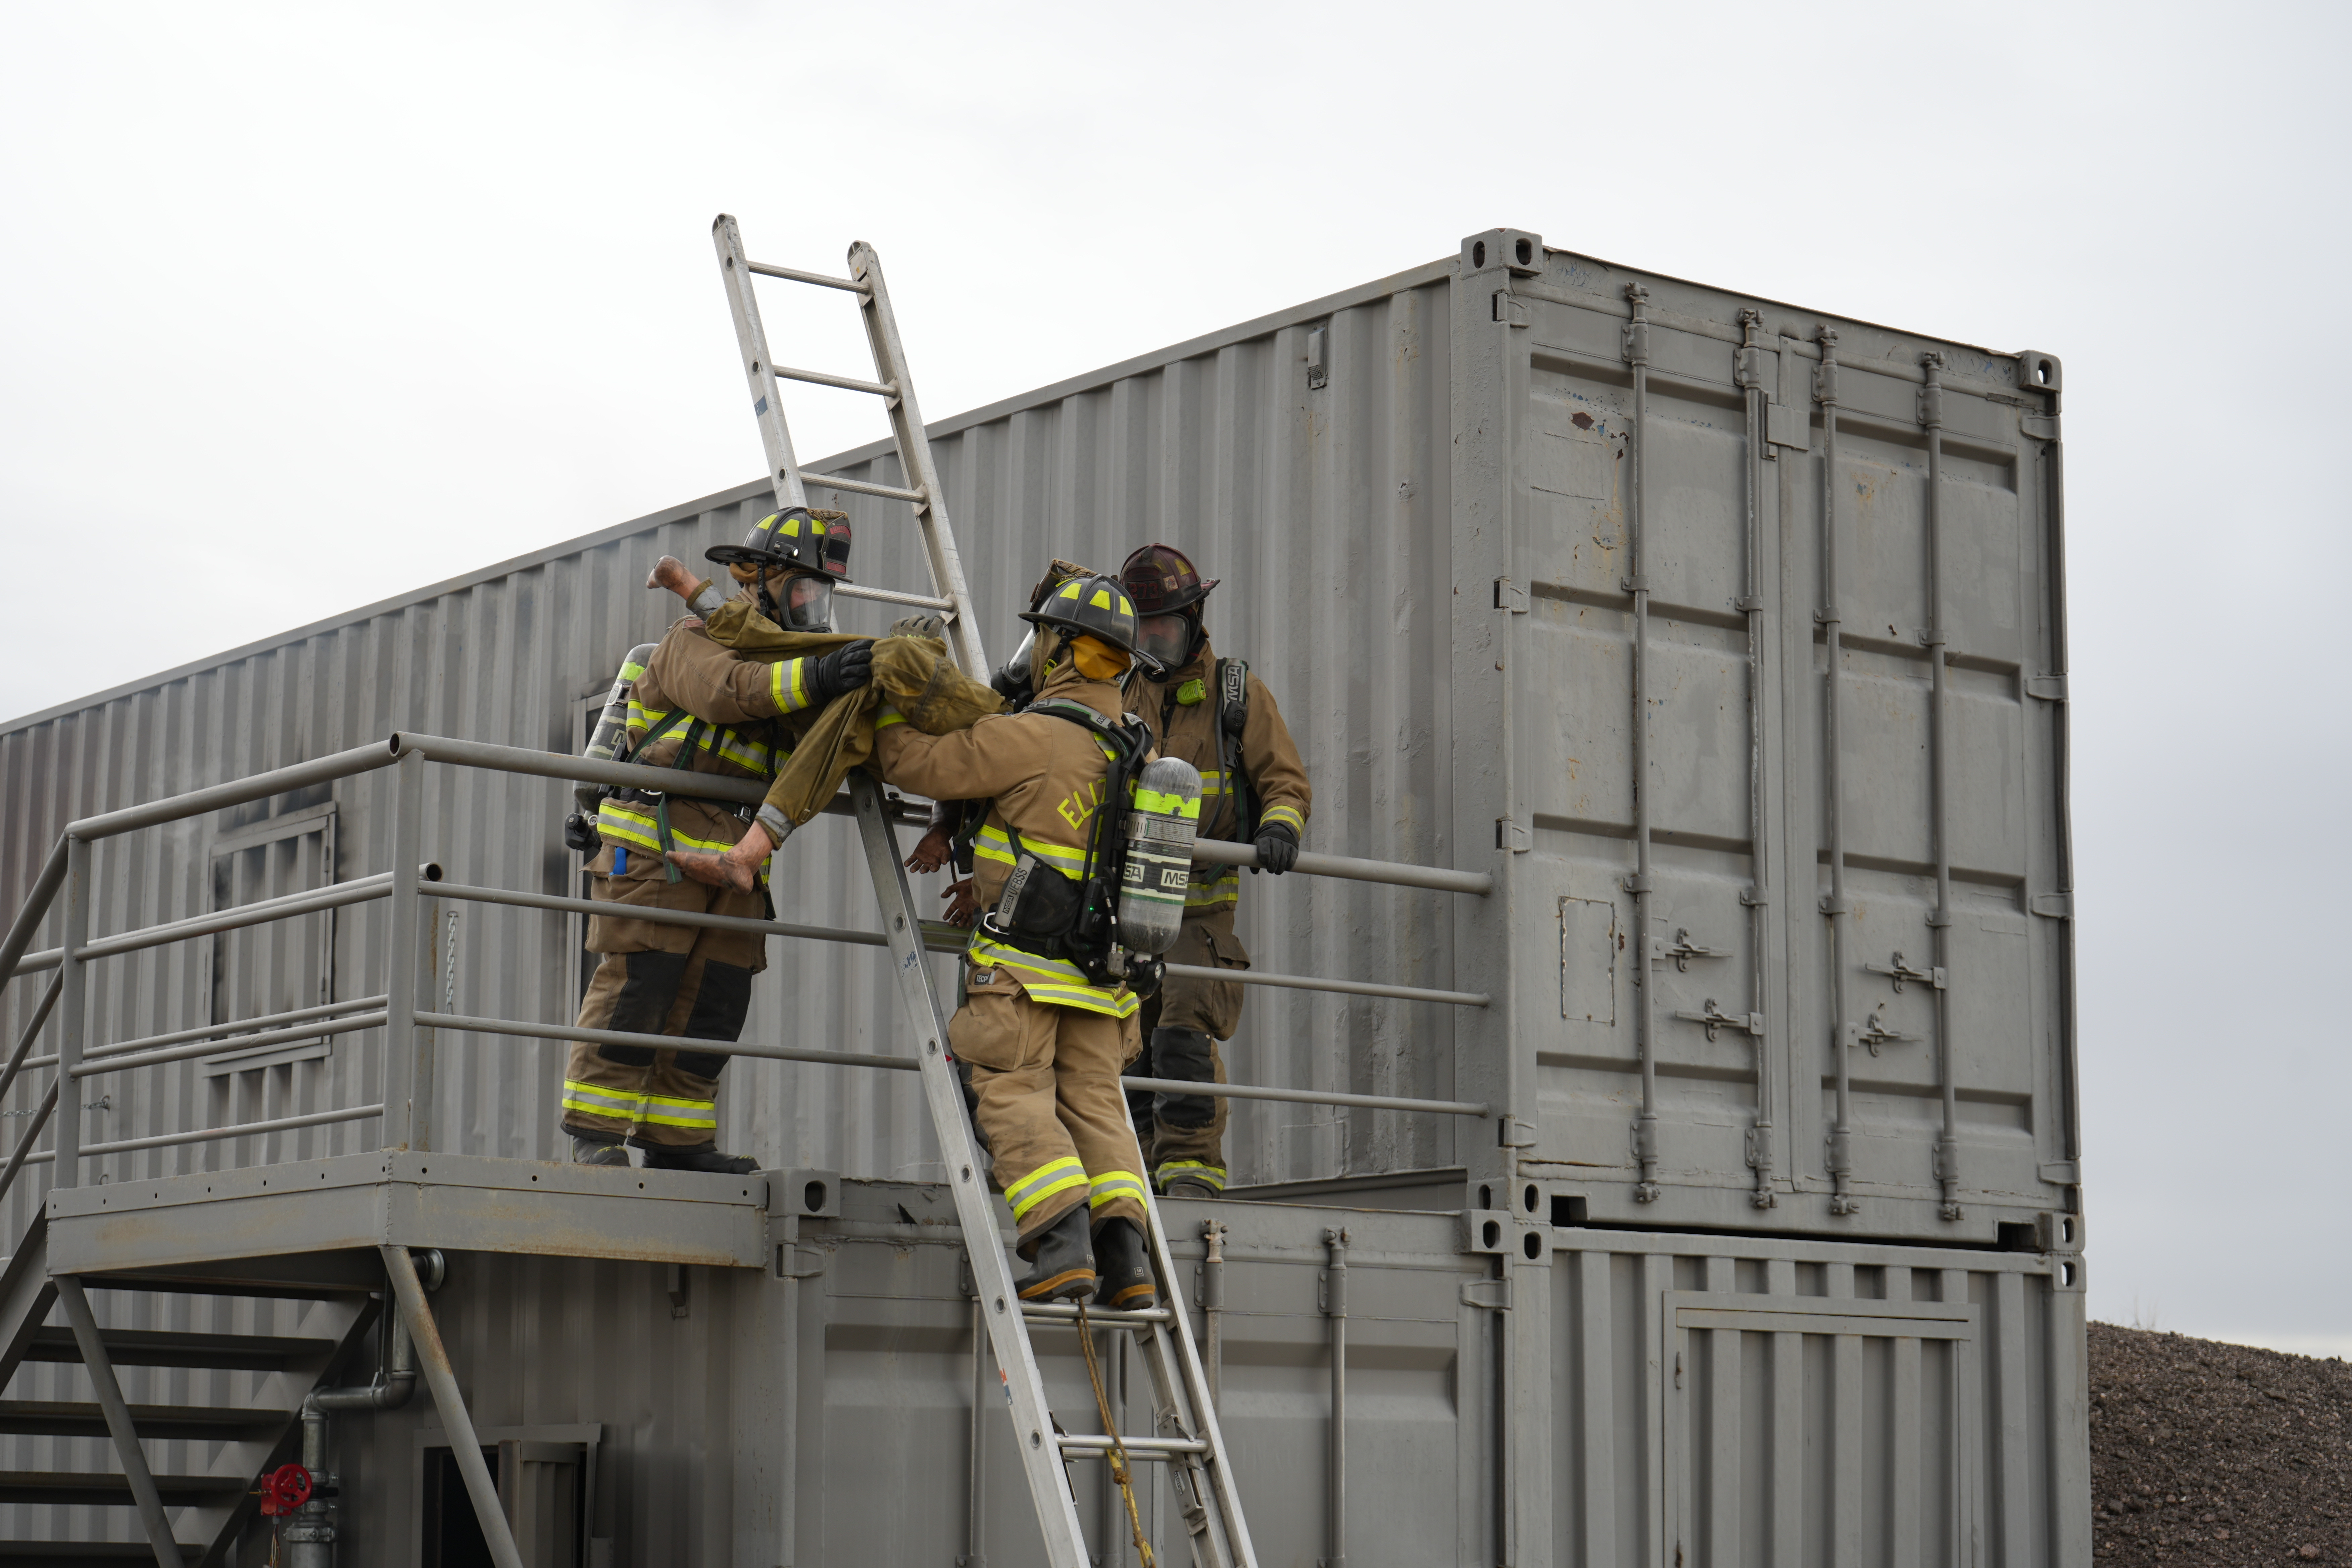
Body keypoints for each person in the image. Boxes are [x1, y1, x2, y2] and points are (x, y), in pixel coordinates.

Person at [873, 573, 1163, 1308]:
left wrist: (879, 702)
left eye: (1043, 639)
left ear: (1061, 650)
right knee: (1097, 1107)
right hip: (1105, 981)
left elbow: (916, 764)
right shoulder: (1141, 753)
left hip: (1023, 973)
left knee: (1008, 1091)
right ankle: (1126, 1265)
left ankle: (1061, 1246)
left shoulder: (1032, 735)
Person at [559, 507, 874, 1172]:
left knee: (715, 1001)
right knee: (638, 988)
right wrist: (820, 677)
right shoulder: (691, 639)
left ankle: (678, 1143)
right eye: (802, 589)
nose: (813, 605)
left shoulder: (792, 666)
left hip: (733, 861)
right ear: (756, 581)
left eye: (822, 592)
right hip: (652, 850)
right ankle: (597, 1133)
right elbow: (734, 692)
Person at [1117, 543, 1312, 1199]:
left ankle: (1192, 1178)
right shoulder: (1119, 689)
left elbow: (1283, 778)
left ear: (1195, 618)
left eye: (1166, 626)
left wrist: (1280, 828)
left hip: (1199, 916)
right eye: (1144, 628)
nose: (1155, 640)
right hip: (1125, 911)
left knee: (1180, 1039)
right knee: (1129, 1050)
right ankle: (1142, 1175)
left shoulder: (1236, 693)